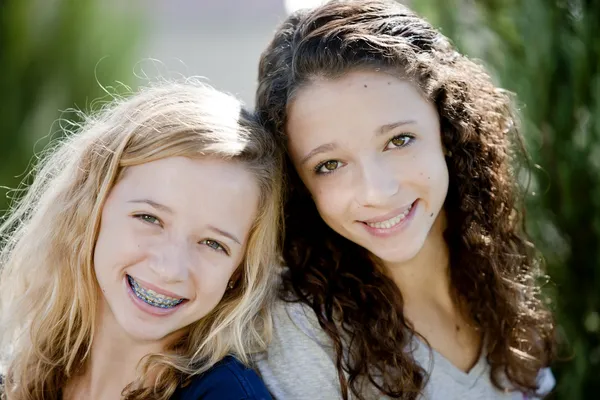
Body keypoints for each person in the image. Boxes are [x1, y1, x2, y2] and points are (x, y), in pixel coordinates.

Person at [254, 1, 556, 399]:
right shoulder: (301, 332)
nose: (377, 191)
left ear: (448, 126)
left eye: (399, 140)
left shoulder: (499, 286)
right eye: (330, 164)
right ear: (299, 184)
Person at [0, 81, 280, 400]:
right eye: (150, 219)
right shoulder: (22, 372)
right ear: (91, 207)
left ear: (239, 272)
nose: (170, 268)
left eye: (214, 244)